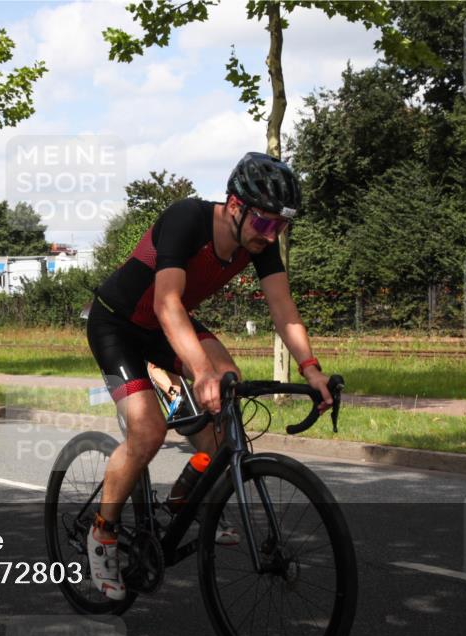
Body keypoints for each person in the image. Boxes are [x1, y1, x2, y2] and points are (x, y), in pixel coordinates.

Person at [84, 152, 333, 600]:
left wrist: (311, 370)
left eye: (280, 226)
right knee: (147, 429)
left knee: (229, 388)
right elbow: (167, 303)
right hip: (118, 325)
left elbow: (283, 307)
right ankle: (102, 535)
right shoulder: (186, 218)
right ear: (235, 206)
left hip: (164, 327)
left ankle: (183, 505)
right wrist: (199, 371)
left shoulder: (258, 239)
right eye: (265, 223)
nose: (271, 234)